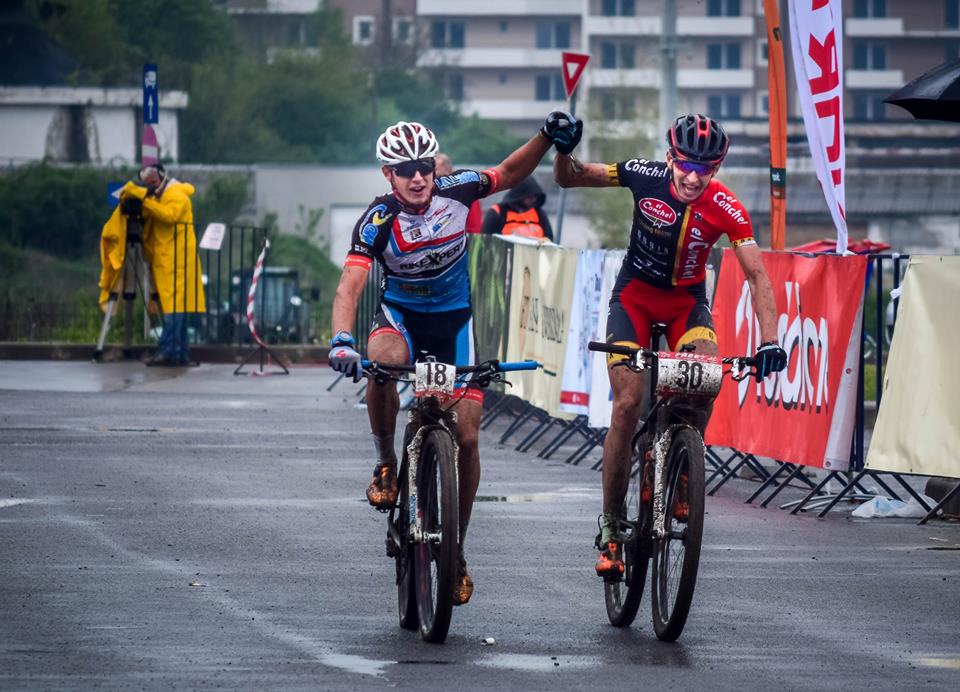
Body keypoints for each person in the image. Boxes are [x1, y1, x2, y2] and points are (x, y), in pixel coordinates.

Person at [329, 113, 580, 605]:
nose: (417, 177)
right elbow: (350, 285)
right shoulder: (377, 219)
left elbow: (508, 173)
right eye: (405, 170)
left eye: (424, 166)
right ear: (388, 174)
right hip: (401, 318)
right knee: (381, 361)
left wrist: (546, 137)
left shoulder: (458, 189)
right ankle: (386, 463)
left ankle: (456, 549)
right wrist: (341, 339)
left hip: (454, 322)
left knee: (466, 435)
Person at [552, 113, 787, 579]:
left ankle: (681, 469)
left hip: (686, 305)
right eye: (686, 165)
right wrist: (562, 151)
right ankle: (612, 525)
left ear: (716, 169)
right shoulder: (642, 174)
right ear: (669, 158)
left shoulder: (727, 207)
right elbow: (570, 178)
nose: (693, 177)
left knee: (706, 379)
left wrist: (770, 340)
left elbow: (758, 275)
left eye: (705, 169)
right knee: (627, 404)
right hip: (634, 299)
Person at [119, 164, 205, 366]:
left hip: (177, 261)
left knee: (172, 308)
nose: (150, 187)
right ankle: (179, 353)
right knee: (176, 307)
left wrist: (144, 200)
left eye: (153, 183)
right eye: (146, 184)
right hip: (169, 260)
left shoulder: (177, 195)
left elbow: (169, 216)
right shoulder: (160, 197)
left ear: (162, 178)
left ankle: (168, 352)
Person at [480, 175, 554, 241]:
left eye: (535, 196)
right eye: (530, 197)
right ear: (520, 195)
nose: (533, 200)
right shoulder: (498, 212)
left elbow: (549, 238)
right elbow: (485, 240)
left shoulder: (538, 212)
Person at [435, 153, 482, 234]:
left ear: (447, 169)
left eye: (436, 169)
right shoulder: (431, 194)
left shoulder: (466, 191)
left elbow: (474, 228)